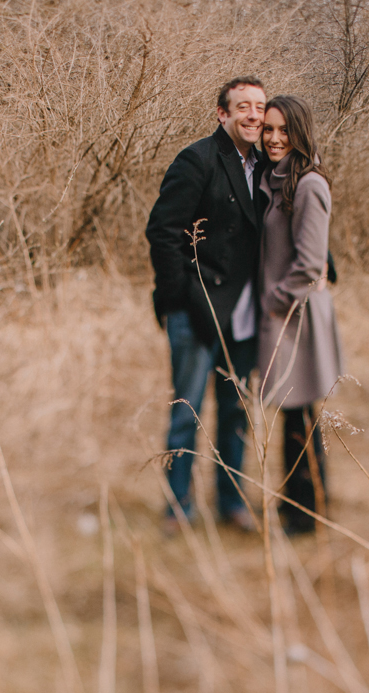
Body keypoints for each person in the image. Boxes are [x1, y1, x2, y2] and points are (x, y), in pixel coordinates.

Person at [145, 76, 267, 535]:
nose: (253, 114)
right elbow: (162, 231)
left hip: (244, 314)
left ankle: (232, 506)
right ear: (223, 114)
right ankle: (177, 509)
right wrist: (181, 298)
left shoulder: (268, 165)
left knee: (236, 411)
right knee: (187, 412)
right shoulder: (197, 159)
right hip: (195, 313)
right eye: (243, 107)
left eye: (259, 106)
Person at [256, 95, 344, 535]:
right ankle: (296, 508)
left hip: (299, 317)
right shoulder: (277, 181)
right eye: (268, 129)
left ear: (300, 132)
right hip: (285, 315)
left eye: (283, 130)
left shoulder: (309, 184)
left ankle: (305, 515)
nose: (273, 138)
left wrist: (273, 301)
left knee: (302, 417)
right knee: (294, 416)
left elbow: (312, 264)